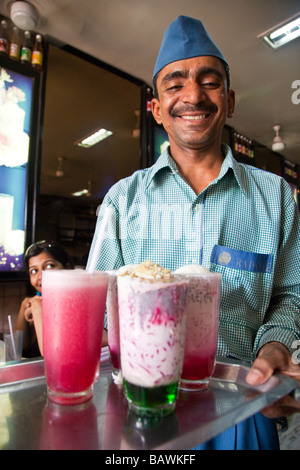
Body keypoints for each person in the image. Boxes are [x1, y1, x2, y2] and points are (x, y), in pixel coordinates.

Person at [87, 16, 300, 449]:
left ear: (230, 99)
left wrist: (275, 348)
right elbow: (97, 305)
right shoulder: (123, 200)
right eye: (175, 83)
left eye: (210, 80)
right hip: (139, 413)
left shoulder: (276, 196)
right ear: (157, 108)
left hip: (241, 406)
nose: (193, 95)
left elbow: (291, 294)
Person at [15, 240, 73, 357]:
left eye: (50, 266)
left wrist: (37, 307)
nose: (41, 276)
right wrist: (25, 306)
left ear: (67, 268)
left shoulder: (76, 304)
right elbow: (17, 349)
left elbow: (54, 355)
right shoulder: (32, 302)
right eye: (34, 271)